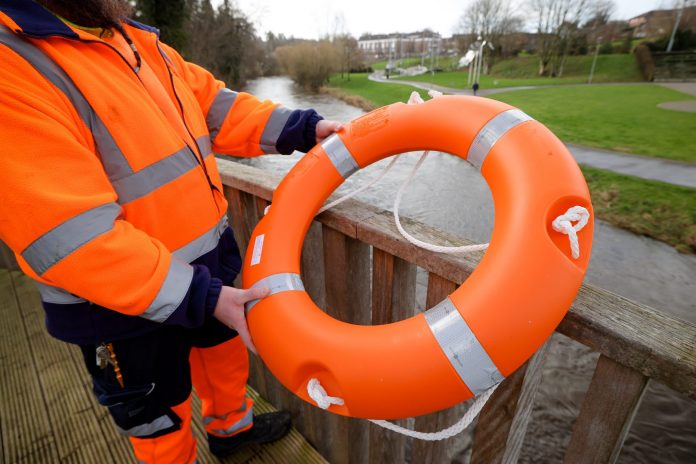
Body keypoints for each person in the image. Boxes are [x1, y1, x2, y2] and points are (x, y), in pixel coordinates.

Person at [0, 1, 342, 462]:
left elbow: (216, 106)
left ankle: (232, 431)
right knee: (160, 418)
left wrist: (306, 128)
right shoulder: (13, 63)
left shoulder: (134, 40)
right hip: (120, 307)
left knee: (225, 363)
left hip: (208, 268)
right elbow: (70, 237)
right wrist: (199, 294)